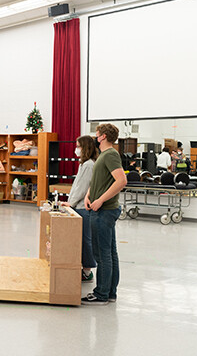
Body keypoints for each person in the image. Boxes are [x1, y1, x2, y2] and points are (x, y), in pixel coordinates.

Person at [81, 124, 127, 305]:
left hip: (104, 211)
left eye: (97, 134)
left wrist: (100, 200)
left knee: (102, 255)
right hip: (100, 209)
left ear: (103, 136)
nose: (95, 136)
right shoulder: (104, 156)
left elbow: (121, 180)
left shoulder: (111, 155)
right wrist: (88, 195)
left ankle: (101, 293)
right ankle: (109, 293)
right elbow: (99, 180)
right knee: (109, 253)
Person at [61, 136, 99, 283]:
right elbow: (77, 185)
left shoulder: (89, 165)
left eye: (78, 146)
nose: (76, 149)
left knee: (85, 239)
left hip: (83, 207)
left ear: (85, 147)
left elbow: (83, 187)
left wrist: (71, 202)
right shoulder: (83, 164)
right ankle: (83, 267)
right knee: (80, 239)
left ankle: (87, 270)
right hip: (77, 206)